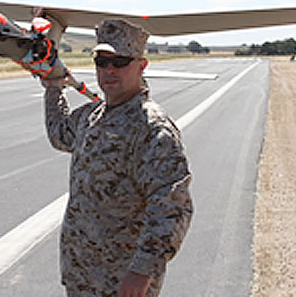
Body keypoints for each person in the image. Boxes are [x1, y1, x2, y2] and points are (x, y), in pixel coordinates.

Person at [42, 18, 193, 297]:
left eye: (120, 61)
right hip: (81, 274)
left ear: (141, 65)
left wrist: (142, 270)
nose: (109, 70)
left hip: (122, 281)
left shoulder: (152, 128)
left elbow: (172, 207)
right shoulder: (92, 115)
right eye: (102, 61)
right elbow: (60, 134)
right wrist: (53, 88)